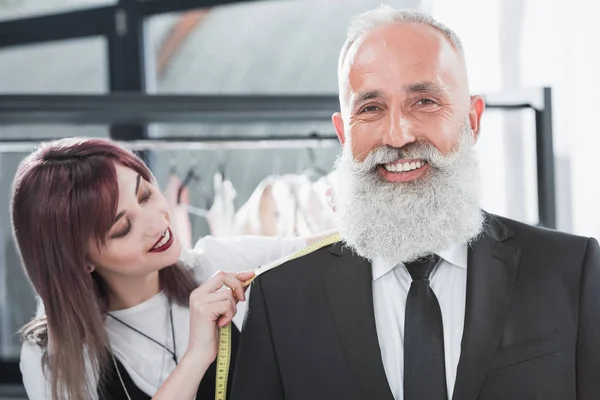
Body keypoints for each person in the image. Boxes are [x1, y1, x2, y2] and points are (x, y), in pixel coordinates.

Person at [231, 6, 600, 400]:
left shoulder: (570, 272)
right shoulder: (280, 301)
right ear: (343, 134)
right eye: (371, 108)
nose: (397, 135)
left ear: (472, 121)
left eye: (424, 101)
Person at [12, 137, 324, 400]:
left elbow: (331, 248)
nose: (156, 222)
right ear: (80, 260)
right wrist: (197, 356)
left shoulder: (214, 263)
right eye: (123, 227)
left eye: (145, 194)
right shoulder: (52, 357)